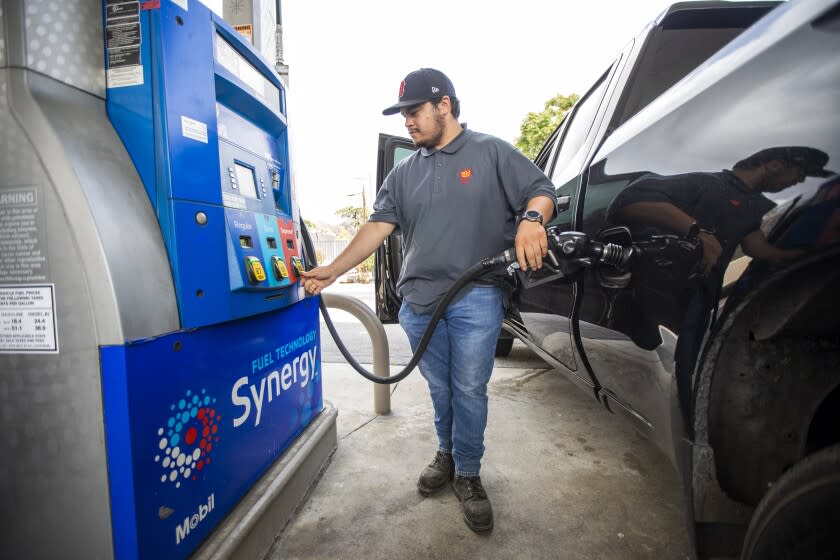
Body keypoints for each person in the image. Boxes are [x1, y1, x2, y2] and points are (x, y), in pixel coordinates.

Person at [300, 68, 556, 532]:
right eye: (403, 115)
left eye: (414, 111)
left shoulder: (491, 151)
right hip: (418, 303)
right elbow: (377, 227)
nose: (408, 123)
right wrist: (333, 271)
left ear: (444, 106)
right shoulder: (403, 172)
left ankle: (470, 473)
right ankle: (447, 454)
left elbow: (540, 190)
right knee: (442, 390)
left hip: (476, 297)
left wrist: (532, 220)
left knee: (469, 389)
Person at [605, 146, 832, 428]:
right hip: (660, 293)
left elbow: (756, 246)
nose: (795, 183)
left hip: (702, 300)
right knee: (647, 359)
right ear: (773, 165)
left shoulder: (756, 205)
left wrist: (802, 257)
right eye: (796, 176)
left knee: (689, 368)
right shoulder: (706, 183)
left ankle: (687, 427)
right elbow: (629, 203)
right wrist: (696, 230)